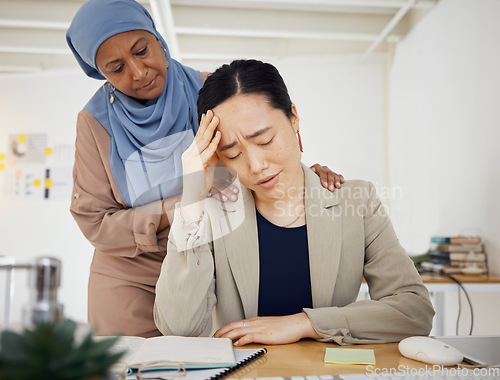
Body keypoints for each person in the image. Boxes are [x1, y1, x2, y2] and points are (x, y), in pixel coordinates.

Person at [66, 0, 344, 337]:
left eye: (142, 51)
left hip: (209, 262)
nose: (138, 72)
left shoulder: (208, 90)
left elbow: (254, 155)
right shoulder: (95, 123)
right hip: (130, 277)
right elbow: (95, 222)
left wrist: (304, 176)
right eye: (116, 68)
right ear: (101, 74)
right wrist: (181, 204)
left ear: (159, 40)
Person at [153, 59, 435, 346]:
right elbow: (179, 329)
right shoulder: (211, 215)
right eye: (233, 154)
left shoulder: (357, 202)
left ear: (293, 117)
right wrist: (192, 200)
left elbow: (414, 311)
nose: (256, 164)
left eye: (264, 140)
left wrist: (305, 324)